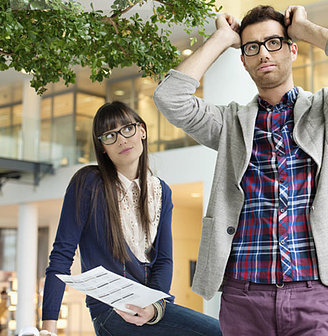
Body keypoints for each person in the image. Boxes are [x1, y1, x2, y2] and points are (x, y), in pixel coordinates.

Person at [154, 4, 328, 335]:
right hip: (244, 296)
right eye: (252, 47)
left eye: (273, 42)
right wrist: (220, 38)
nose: (263, 53)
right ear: (244, 61)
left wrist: (304, 28)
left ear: (292, 49)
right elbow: (170, 98)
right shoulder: (229, 123)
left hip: (315, 293)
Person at [41, 101, 221, 336]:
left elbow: (164, 261)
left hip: (152, 308)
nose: (122, 140)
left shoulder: (161, 191)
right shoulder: (88, 183)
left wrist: (155, 307)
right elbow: (61, 256)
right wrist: (48, 329)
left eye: (127, 129)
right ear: (102, 147)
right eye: (109, 135)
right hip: (111, 311)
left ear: (142, 131)